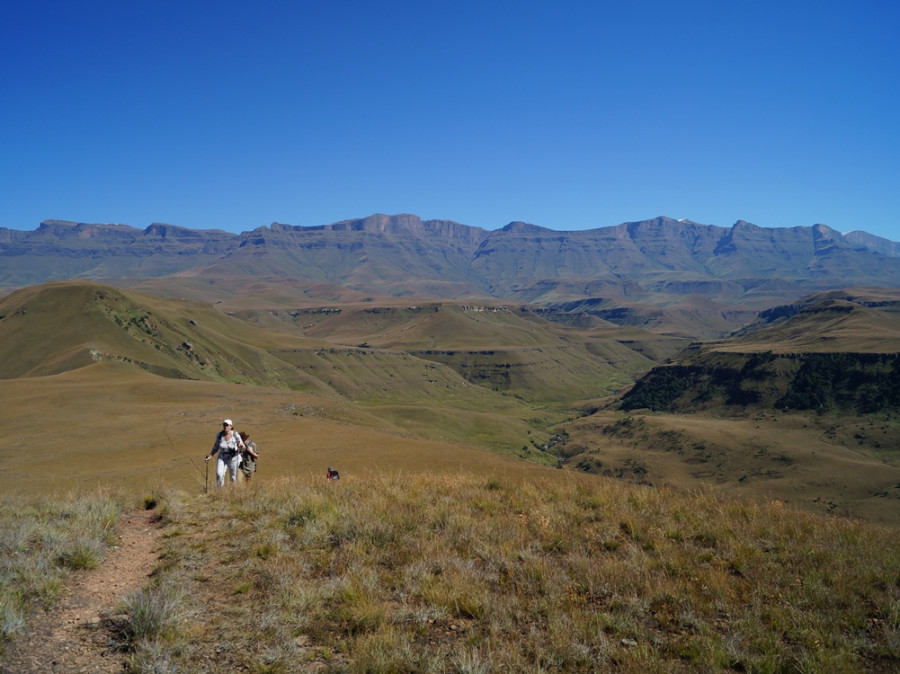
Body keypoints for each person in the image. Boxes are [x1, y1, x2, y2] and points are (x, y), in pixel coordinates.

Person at [205, 419, 246, 486]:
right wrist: (210, 456)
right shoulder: (219, 435)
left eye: (227, 425)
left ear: (231, 426)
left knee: (233, 477)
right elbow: (216, 447)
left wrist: (241, 446)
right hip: (222, 457)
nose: (225, 426)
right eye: (224, 425)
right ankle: (220, 492)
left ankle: (232, 493)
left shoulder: (235, 435)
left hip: (234, 457)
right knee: (219, 474)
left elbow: (242, 445)